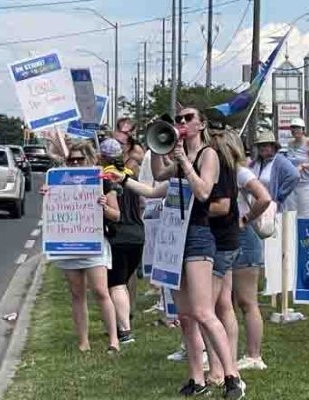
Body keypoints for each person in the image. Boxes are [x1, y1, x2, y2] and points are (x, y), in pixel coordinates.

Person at [112, 108, 246, 398]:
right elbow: (156, 182)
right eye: (178, 120)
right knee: (185, 315)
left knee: (202, 311)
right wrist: (122, 177)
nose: (182, 123)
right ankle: (196, 378)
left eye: (187, 118)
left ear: (200, 124)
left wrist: (184, 161)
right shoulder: (178, 157)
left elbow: (203, 192)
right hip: (174, 237)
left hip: (198, 236)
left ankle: (232, 376)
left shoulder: (208, 154)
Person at [203, 125, 272, 384]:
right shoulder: (223, 172)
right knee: (225, 303)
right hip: (226, 237)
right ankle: (227, 357)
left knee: (247, 301)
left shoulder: (240, 172)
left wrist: (245, 218)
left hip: (242, 237)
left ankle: (254, 354)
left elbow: (264, 198)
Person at [40, 139, 120, 354]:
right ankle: (83, 341)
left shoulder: (102, 180)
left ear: (89, 159)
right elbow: (54, 211)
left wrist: (104, 207)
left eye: (79, 159)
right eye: (71, 160)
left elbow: (116, 214)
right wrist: (48, 196)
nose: (75, 164)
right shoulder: (59, 181)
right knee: (77, 293)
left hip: (93, 243)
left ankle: (114, 339)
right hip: (69, 243)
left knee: (101, 291)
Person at [234, 127, 298, 371]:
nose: (264, 149)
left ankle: (253, 352)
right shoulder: (253, 164)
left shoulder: (280, 163)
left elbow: (292, 177)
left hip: (267, 211)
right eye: (261, 146)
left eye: (267, 145)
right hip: (254, 213)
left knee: (270, 253)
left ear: (274, 146)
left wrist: (276, 197)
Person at [99, 138, 144, 345]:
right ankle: (121, 323)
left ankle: (125, 331)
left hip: (118, 235)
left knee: (116, 285)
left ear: (102, 157)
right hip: (137, 234)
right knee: (123, 283)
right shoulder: (129, 175)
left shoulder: (105, 177)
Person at [284, 117, 309, 216]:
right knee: (290, 215)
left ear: (303, 130)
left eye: (298, 128)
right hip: (292, 184)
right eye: (293, 128)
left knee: (304, 215)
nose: (295, 130)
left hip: (307, 184)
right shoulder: (290, 144)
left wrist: (304, 165)